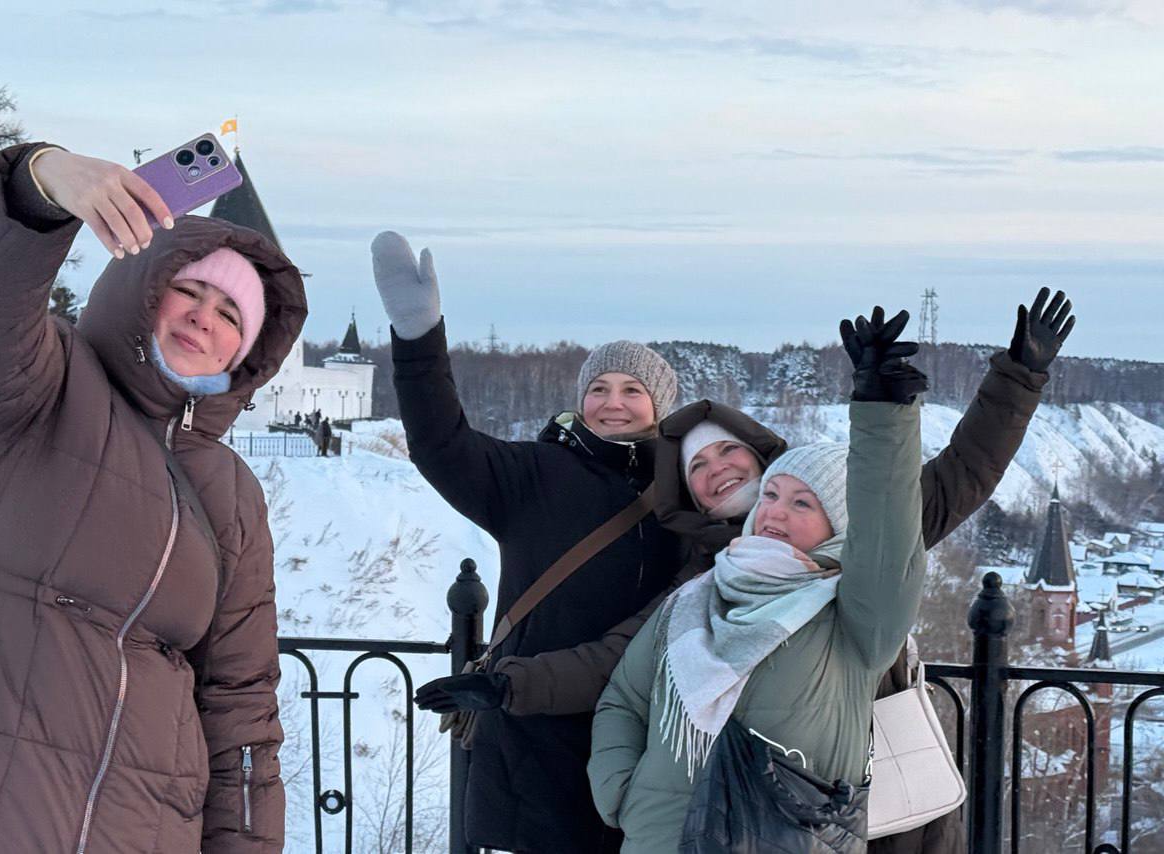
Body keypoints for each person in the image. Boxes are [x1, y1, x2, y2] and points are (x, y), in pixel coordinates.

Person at [0, 142, 304, 852]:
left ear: (246, 352)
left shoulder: (232, 494)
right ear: (146, 287)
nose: (205, 318)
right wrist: (38, 185)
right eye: (191, 292)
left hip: (141, 826)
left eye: (232, 313)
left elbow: (241, 707)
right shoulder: (45, 388)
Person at [371, 231, 684, 853]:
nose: (613, 403)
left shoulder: (684, 491)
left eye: (632, 390)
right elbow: (441, 443)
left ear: (660, 405)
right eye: (599, 388)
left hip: (646, 736)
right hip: (533, 733)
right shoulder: (534, 474)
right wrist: (418, 338)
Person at [588, 309, 930, 852]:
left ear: (840, 526)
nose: (775, 511)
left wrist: (882, 413)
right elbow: (624, 700)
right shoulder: (696, 599)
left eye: (802, 503)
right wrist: (622, 793)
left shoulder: (856, 613)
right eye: (770, 495)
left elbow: (889, 526)